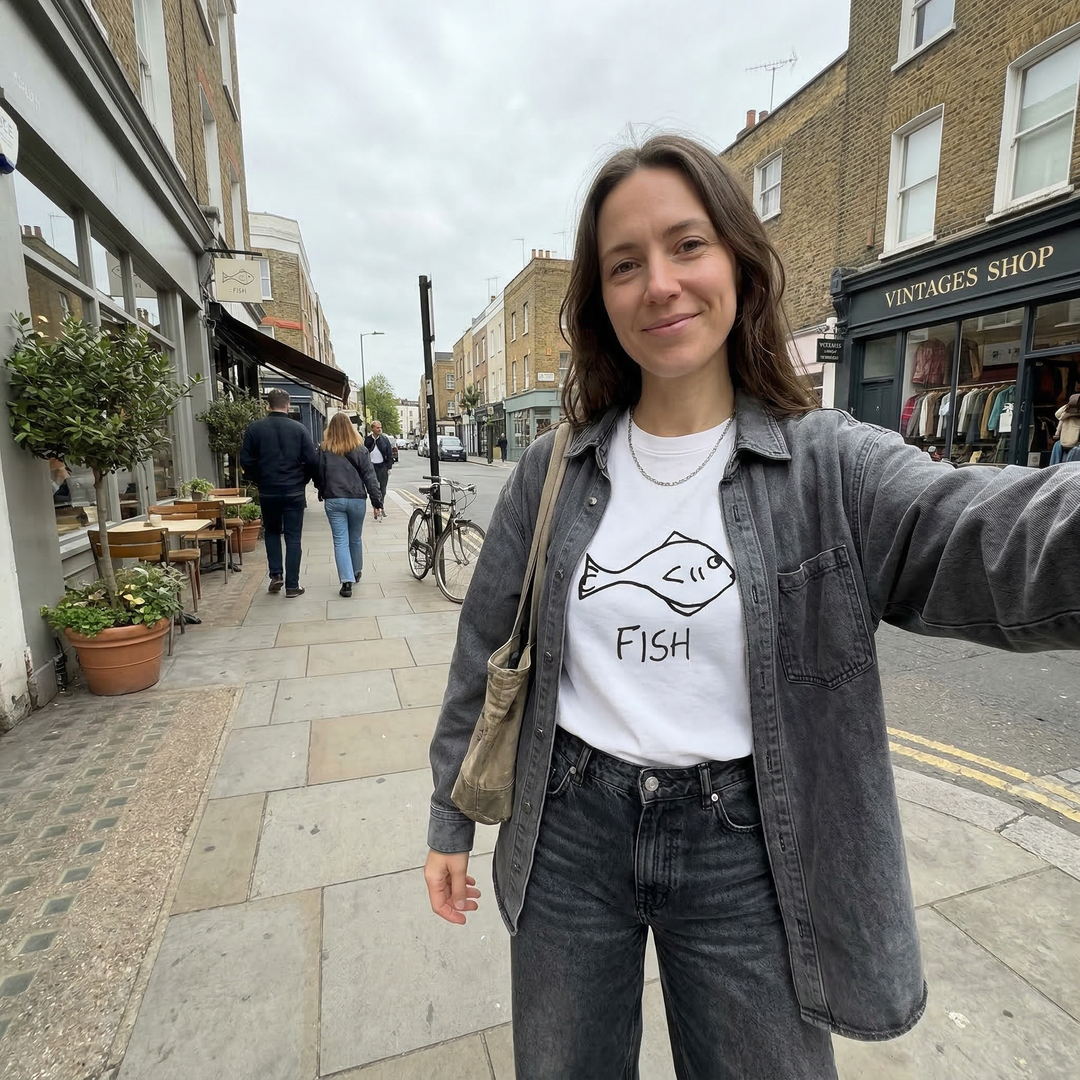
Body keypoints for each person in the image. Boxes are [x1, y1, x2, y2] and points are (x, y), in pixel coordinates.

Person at [423, 134, 1080, 1080]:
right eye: (625, 264)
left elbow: (994, 534)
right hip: (568, 828)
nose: (660, 284)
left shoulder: (829, 466)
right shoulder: (552, 468)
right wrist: (449, 819)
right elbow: (486, 646)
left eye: (688, 245)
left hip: (746, 844)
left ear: (737, 260)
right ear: (601, 300)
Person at [240, 388, 319, 598]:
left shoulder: (255, 429)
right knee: (293, 538)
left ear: (267, 405)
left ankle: (276, 575)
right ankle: (292, 585)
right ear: (288, 405)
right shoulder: (299, 429)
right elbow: (312, 461)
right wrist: (303, 480)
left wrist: (259, 479)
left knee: (272, 533)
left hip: (268, 490)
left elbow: (246, 461)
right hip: (293, 490)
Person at [315, 412, 383, 597]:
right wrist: (376, 501)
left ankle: (346, 582)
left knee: (340, 541)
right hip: (356, 499)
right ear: (351, 428)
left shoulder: (324, 449)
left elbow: (318, 474)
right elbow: (370, 477)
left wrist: (322, 490)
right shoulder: (360, 449)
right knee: (355, 538)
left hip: (334, 499)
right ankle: (356, 570)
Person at [364, 420, 394, 516]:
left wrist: (389, 467)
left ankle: (381, 506)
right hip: (371, 467)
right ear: (372, 429)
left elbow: (389, 454)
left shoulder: (384, 439)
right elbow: (364, 453)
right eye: (377, 428)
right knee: (373, 489)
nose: (379, 429)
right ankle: (376, 508)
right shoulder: (367, 440)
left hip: (382, 467)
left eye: (380, 427)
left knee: (383, 489)